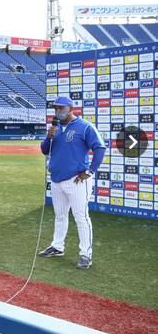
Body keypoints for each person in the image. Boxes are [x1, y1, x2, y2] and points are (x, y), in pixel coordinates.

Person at [39, 96, 106, 270]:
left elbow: (100, 148)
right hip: (56, 179)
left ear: (70, 108)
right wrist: (49, 136)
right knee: (60, 216)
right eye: (55, 109)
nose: (57, 111)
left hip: (76, 180)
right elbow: (45, 150)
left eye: (61, 108)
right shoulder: (55, 128)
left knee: (81, 217)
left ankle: (85, 254)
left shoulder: (84, 126)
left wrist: (90, 171)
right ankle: (57, 247)